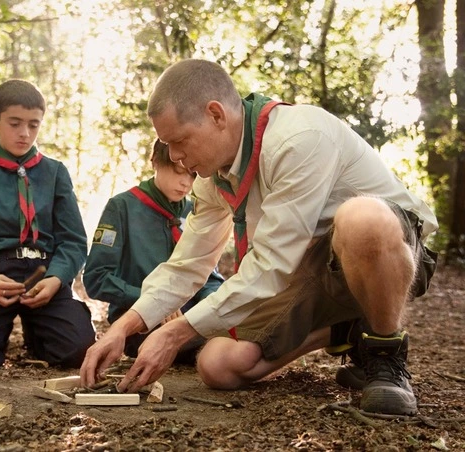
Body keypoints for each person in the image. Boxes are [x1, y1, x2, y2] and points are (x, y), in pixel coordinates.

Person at [80, 59, 438, 416]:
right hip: (308, 272)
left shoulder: (298, 139)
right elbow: (188, 265)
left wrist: (175, 333)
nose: (174, 156)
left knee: (363, 218)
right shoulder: (212, 179)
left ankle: (385, 354)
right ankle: (346, 329)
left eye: (179, 141)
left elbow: (270, 266)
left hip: (390, 255)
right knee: (217, 365)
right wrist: (123, 328)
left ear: (216, 115)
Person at [0, 79, 95, 370]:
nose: (25, 133)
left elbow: (74, 241)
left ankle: (37, 333)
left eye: (33, 124)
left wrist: (56, 279)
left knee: (79, 350)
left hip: (45, 272)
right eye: (14, 123)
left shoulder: (55, 173)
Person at [83, 139, 224, 364]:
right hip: (138, 321)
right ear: (155, 162)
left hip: (187, 316)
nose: (185, 183)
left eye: (192, 175)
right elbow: (96, 278)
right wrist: (153, 301)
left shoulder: (195, 211)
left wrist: (214, 305)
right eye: (178, 171)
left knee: (231, 329)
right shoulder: (122, 207)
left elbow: (209, 277)